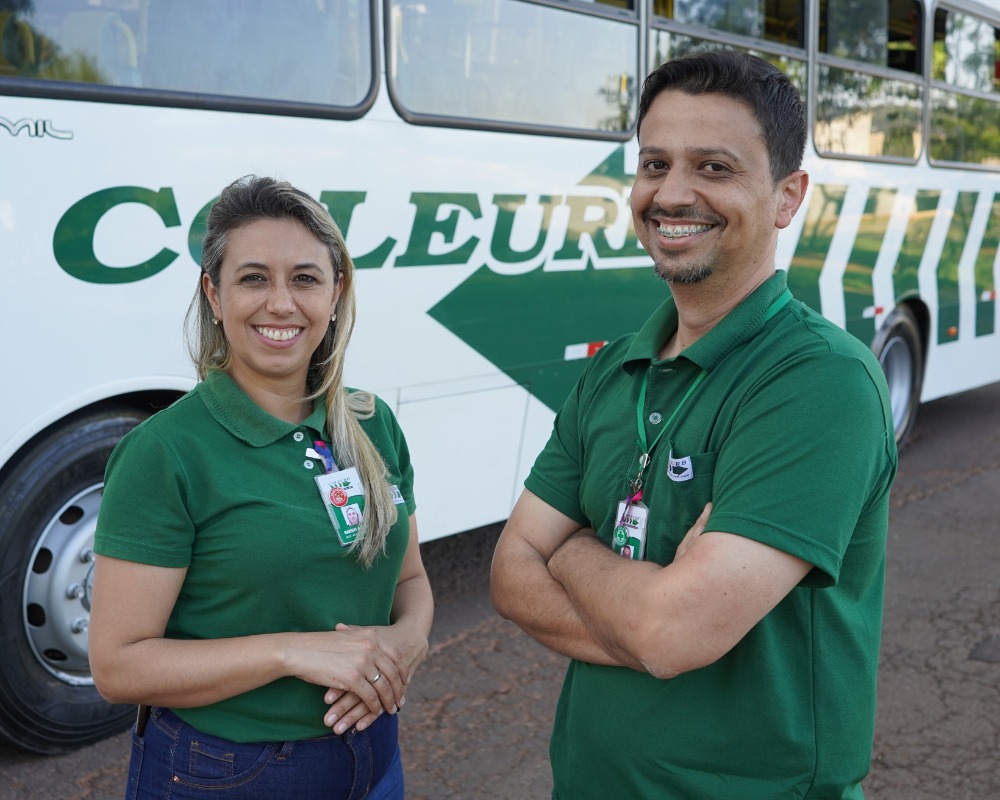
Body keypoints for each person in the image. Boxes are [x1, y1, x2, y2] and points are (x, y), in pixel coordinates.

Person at [490, 50, 897, 799]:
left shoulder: (819, 381)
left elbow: (674, 633)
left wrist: (574, 553)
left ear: (786, 195)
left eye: (714, 168)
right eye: (654, 164)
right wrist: (646, 617)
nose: (672, 194)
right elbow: (510, 573)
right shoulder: (615, 369)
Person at [90, 175, 434, 800]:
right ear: (214, 296)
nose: (281, 303)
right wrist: (289, 653)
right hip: (226, 773)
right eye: (254, 278)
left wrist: (406, 642)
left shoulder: (372, 421)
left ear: (337, 293)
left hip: (375, 759)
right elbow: (118, 666)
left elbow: (409, 581)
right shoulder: (166, 452)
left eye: (305, 278)